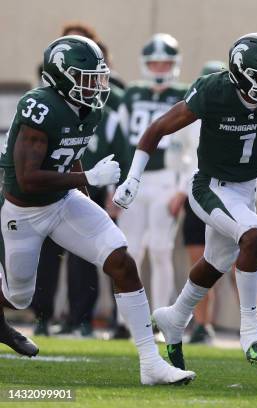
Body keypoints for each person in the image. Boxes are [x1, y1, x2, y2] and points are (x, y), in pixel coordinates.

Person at [113, 33, 257, 368]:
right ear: (242, 76)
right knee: (254, 236)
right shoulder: (214, 91)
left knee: (216, 262)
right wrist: (133, 177)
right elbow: (157, 129)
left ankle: (175, 317)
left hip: (244, 188)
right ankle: (251, 329)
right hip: (210, 185)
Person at [0, 35, 194, 385]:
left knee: (121, 258)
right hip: (22, 211)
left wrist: (87, 191)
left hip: (61, 202)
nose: (95, 86)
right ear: (61, 77)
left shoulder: (88, 109)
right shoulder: (39, 106)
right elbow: (27, 179)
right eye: (86, 78)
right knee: (17, 296)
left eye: (97, 77)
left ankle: (150, 362)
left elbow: (67, 152)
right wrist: (86, 176)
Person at [31, 24, 127, 337]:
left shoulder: (105, 106)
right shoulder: (43, 103)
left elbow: (116, 150)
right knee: (40, 254)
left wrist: (108, 188)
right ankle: (42, 314)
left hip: (86, 184)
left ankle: (82, 316)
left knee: (87, 252)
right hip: (44, 184)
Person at [116, 33, 196, 328]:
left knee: (161, 250)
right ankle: (125, 321)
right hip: (135, 179)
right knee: (129, 251)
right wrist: (117, 185)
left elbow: (193, 146)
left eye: (166, 63)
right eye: (155, 63)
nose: (160, 68)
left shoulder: (184, 94)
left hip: (166, 179)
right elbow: (120, 143)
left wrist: (181, 188)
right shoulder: (132, 94)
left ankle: (162, 319)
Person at [181, 60, 227, 344]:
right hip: (198, 192)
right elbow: (183, 158)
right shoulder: (191, 118)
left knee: (235, 262)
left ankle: (251, 321)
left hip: (227, 195)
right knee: (200, 261)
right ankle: (202, 324)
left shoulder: (236, 115)